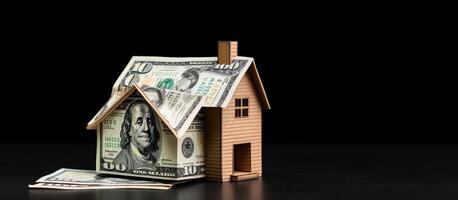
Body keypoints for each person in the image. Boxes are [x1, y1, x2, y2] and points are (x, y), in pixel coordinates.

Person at [113, 99, 160, 171]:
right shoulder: (121, 162)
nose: (146, 128)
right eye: (139, 122)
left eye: (149, 121)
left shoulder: (153, 159)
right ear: (129, 130)